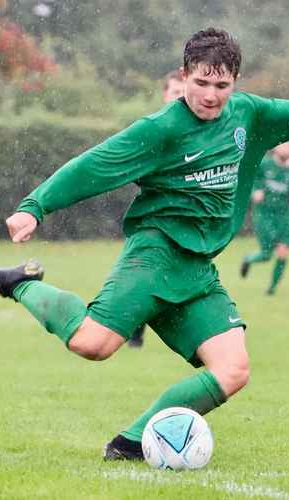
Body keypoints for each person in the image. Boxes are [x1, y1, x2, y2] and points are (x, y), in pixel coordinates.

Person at [0, 28, 289, 461]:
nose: (211, 94)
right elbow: (94, 165)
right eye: (202, 82)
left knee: (233, 371)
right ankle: (23, 283)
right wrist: (35, 206)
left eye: (222, 85)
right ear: (184, 75)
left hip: (198, 270)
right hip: (155, 254)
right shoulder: (161, 129)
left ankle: (131, 443)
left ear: (235, 82)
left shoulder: (250, 115)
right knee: (92, 345)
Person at [127, 69, 186, 348]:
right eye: (175, 92)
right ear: (165, 95)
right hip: (153, 226)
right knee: (146, 279)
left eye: (184, 92)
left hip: (189, 231)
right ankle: (134, 326)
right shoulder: (153, 131)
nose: (180, 98)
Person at [240, 141, 289, 295]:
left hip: (284, 215)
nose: (287, 149)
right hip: (264, 214)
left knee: (283, 251)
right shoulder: (264, 164)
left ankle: (272, 289)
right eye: (284, 145)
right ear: (276, 148)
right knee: (266, 254)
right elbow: (250, 179)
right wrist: (255, 191)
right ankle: (248, 259)